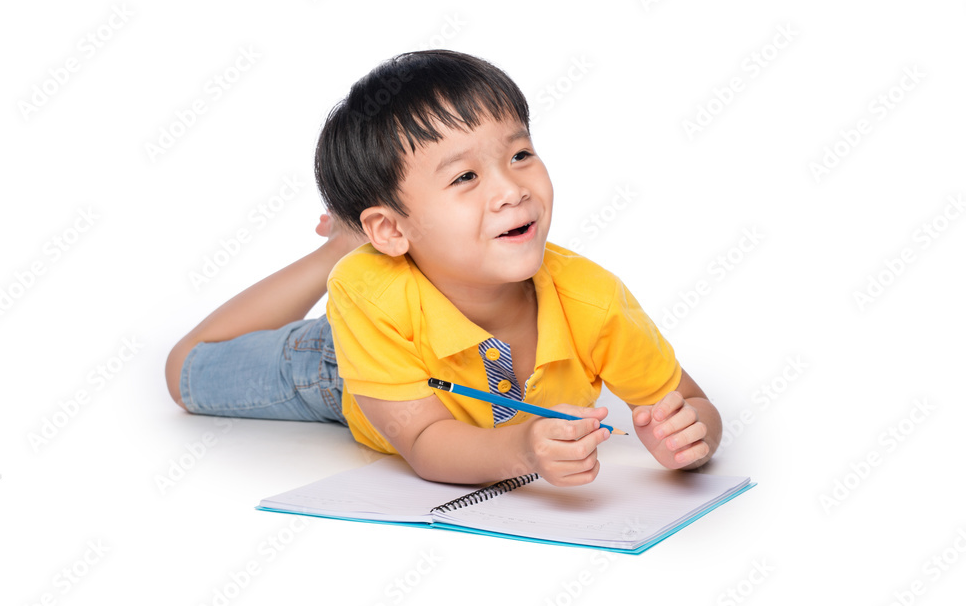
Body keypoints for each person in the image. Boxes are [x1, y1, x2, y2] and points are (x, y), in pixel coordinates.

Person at [166, 50, 722, 487]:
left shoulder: (593, 300)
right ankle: (339, 249)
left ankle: (355, 239)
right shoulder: (371, 296)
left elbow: (690, 402)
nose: (511, 190)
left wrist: (691, 436)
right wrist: (524, 450)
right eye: (464, 178)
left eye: (520, 155)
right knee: (185, 374)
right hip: (349, 372)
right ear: (392, 228)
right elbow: (427, 440)